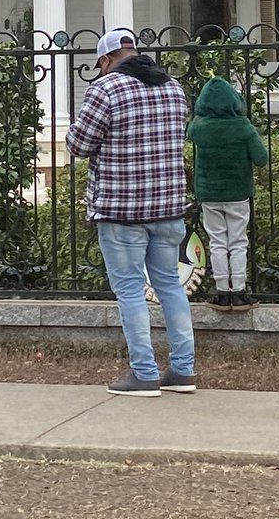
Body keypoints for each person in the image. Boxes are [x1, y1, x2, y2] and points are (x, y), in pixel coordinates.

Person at [65, 29, 195, 397]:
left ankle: (144, 373)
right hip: (168, 206)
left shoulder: (105, 89)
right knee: (170, 286)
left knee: (131, 291)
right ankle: (183, 371)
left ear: (106, 59)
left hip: (121, 208)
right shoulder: (173, 88)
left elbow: (79, 144)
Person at [186, 75, 269, 312]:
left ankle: (222, 292)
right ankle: (239, 293)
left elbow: (189, 132)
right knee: (238, 242)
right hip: (237, 193)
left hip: (209, 194)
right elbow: (262, 158)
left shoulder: (198, 127)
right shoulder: (243, 127)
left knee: (217, 242)